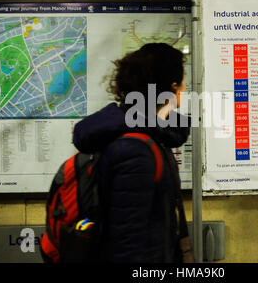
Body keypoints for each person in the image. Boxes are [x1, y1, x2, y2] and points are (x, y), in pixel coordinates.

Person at [72, 43, 192, 263]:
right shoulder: (136, 150)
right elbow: (127, 243)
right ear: (172, 88)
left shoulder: (152, 136)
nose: (184, 87)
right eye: (182, 82)